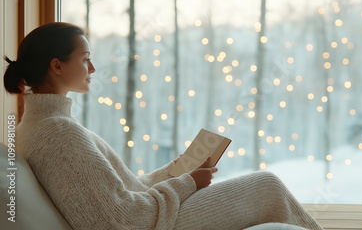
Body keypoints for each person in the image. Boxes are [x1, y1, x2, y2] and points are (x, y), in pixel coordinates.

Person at [3, 22, 323, 230]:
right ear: (57, 66)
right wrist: (188, 184)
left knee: (267, 185)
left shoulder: (40, 125)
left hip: (153, 214)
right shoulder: (59, 133)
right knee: (266, 185)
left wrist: (179, 171)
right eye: (85, 58)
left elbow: (122, 189)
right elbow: (124, 219)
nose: (93, 67)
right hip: (153, 224)